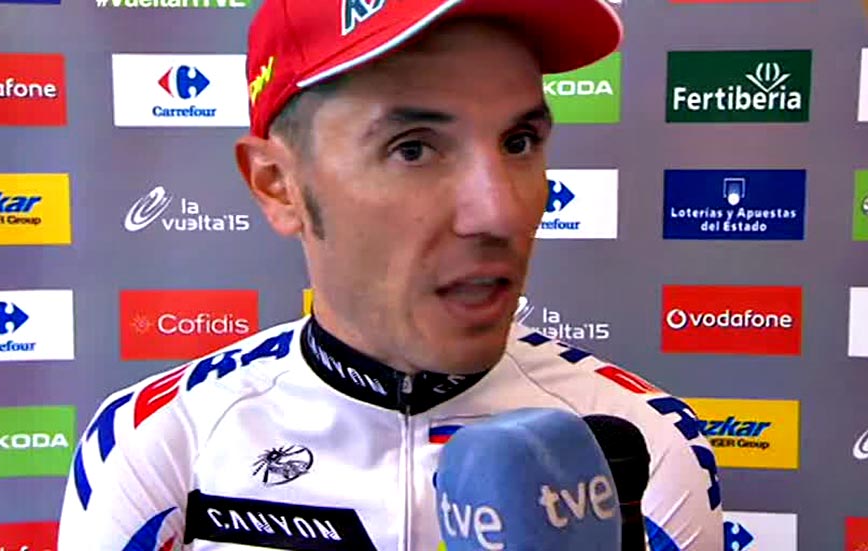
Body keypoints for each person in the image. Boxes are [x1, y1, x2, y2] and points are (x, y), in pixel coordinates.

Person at [58, 0, 725, 549]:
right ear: (278, 184)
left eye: (519, 142)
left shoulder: (642, 441)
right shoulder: (164, 442)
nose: (499, 211)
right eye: (413, 149)